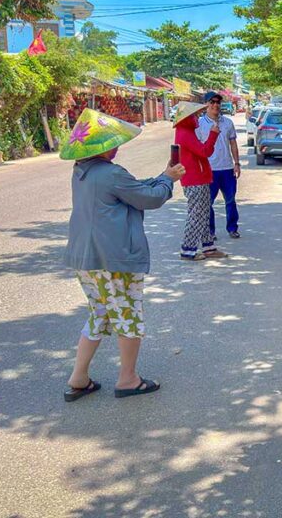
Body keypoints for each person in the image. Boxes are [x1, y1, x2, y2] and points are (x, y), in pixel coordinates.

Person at [61, 108, 185, 401]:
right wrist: (167, 181)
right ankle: (128, 378)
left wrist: (163, 176)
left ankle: (79, 377)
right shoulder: (111, 173)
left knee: (99, 313)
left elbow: (134, 190)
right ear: (102, 147)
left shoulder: (82, 171)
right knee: (128, 314)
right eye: (112, 142)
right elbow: (149, 198)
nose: (117, 147)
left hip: (86, 259)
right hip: (112, 258)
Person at [173, 100, 227, 261]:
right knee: (197, 215)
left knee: (203, 214)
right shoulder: (185, 133)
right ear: (187, 118)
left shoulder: (185, 131)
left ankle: (208, 247)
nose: (197, 117)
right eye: (195, 115)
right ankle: (187, 250)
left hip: (198, 178)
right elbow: (204, 152)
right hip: (194, 179)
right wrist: (213, 134)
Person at [197, 91, 241, 239]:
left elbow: (233, 143)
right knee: (208, 202)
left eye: (218, 102)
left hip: (227, 168)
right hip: (209, 169)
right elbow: (196, 148)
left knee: (230, 200)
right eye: (212, 102)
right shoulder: (199, 124)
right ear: (206, 105)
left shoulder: (227, 122)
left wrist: (237, 163)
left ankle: (232, 228)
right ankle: (210, 231)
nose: (216, 105)